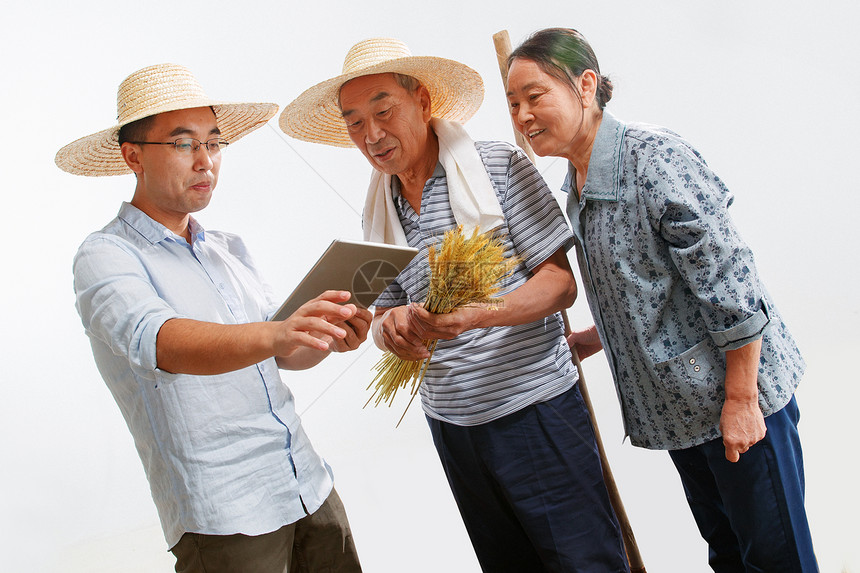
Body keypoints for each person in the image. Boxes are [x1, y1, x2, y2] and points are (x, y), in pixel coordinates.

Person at [280, 38, 629, 573]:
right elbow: (383, 318)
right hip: (453, 425)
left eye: (383, 110)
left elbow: (559, 285)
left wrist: (480, 314)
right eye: (355, 123)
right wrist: (389, 327)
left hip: (535, 410)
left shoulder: (497, 167)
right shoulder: (380, 208)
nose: (372, 134)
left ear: (421, 100)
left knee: (585, 563)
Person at [506, 27, 817, 572]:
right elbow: (643, 283)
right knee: (729, 557)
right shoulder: (577, 182)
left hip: (734, 401)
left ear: (585, 86)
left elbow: (730, 280)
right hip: (682, 413)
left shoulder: (652, 159)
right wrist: (592, 337)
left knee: (774, 561)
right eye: (514, 104)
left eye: (536, 97)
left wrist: (742, 401)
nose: (524, 116)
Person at [56, 63, 368, 573]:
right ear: (133, 156)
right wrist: (278, 332)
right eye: (183, 144)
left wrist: (328, 334)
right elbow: (163, 342)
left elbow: (282, 353)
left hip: (307, 485)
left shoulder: (227, 249)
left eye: (215, 143)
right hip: (226, 517)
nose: (205, 161)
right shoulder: (106, 255)